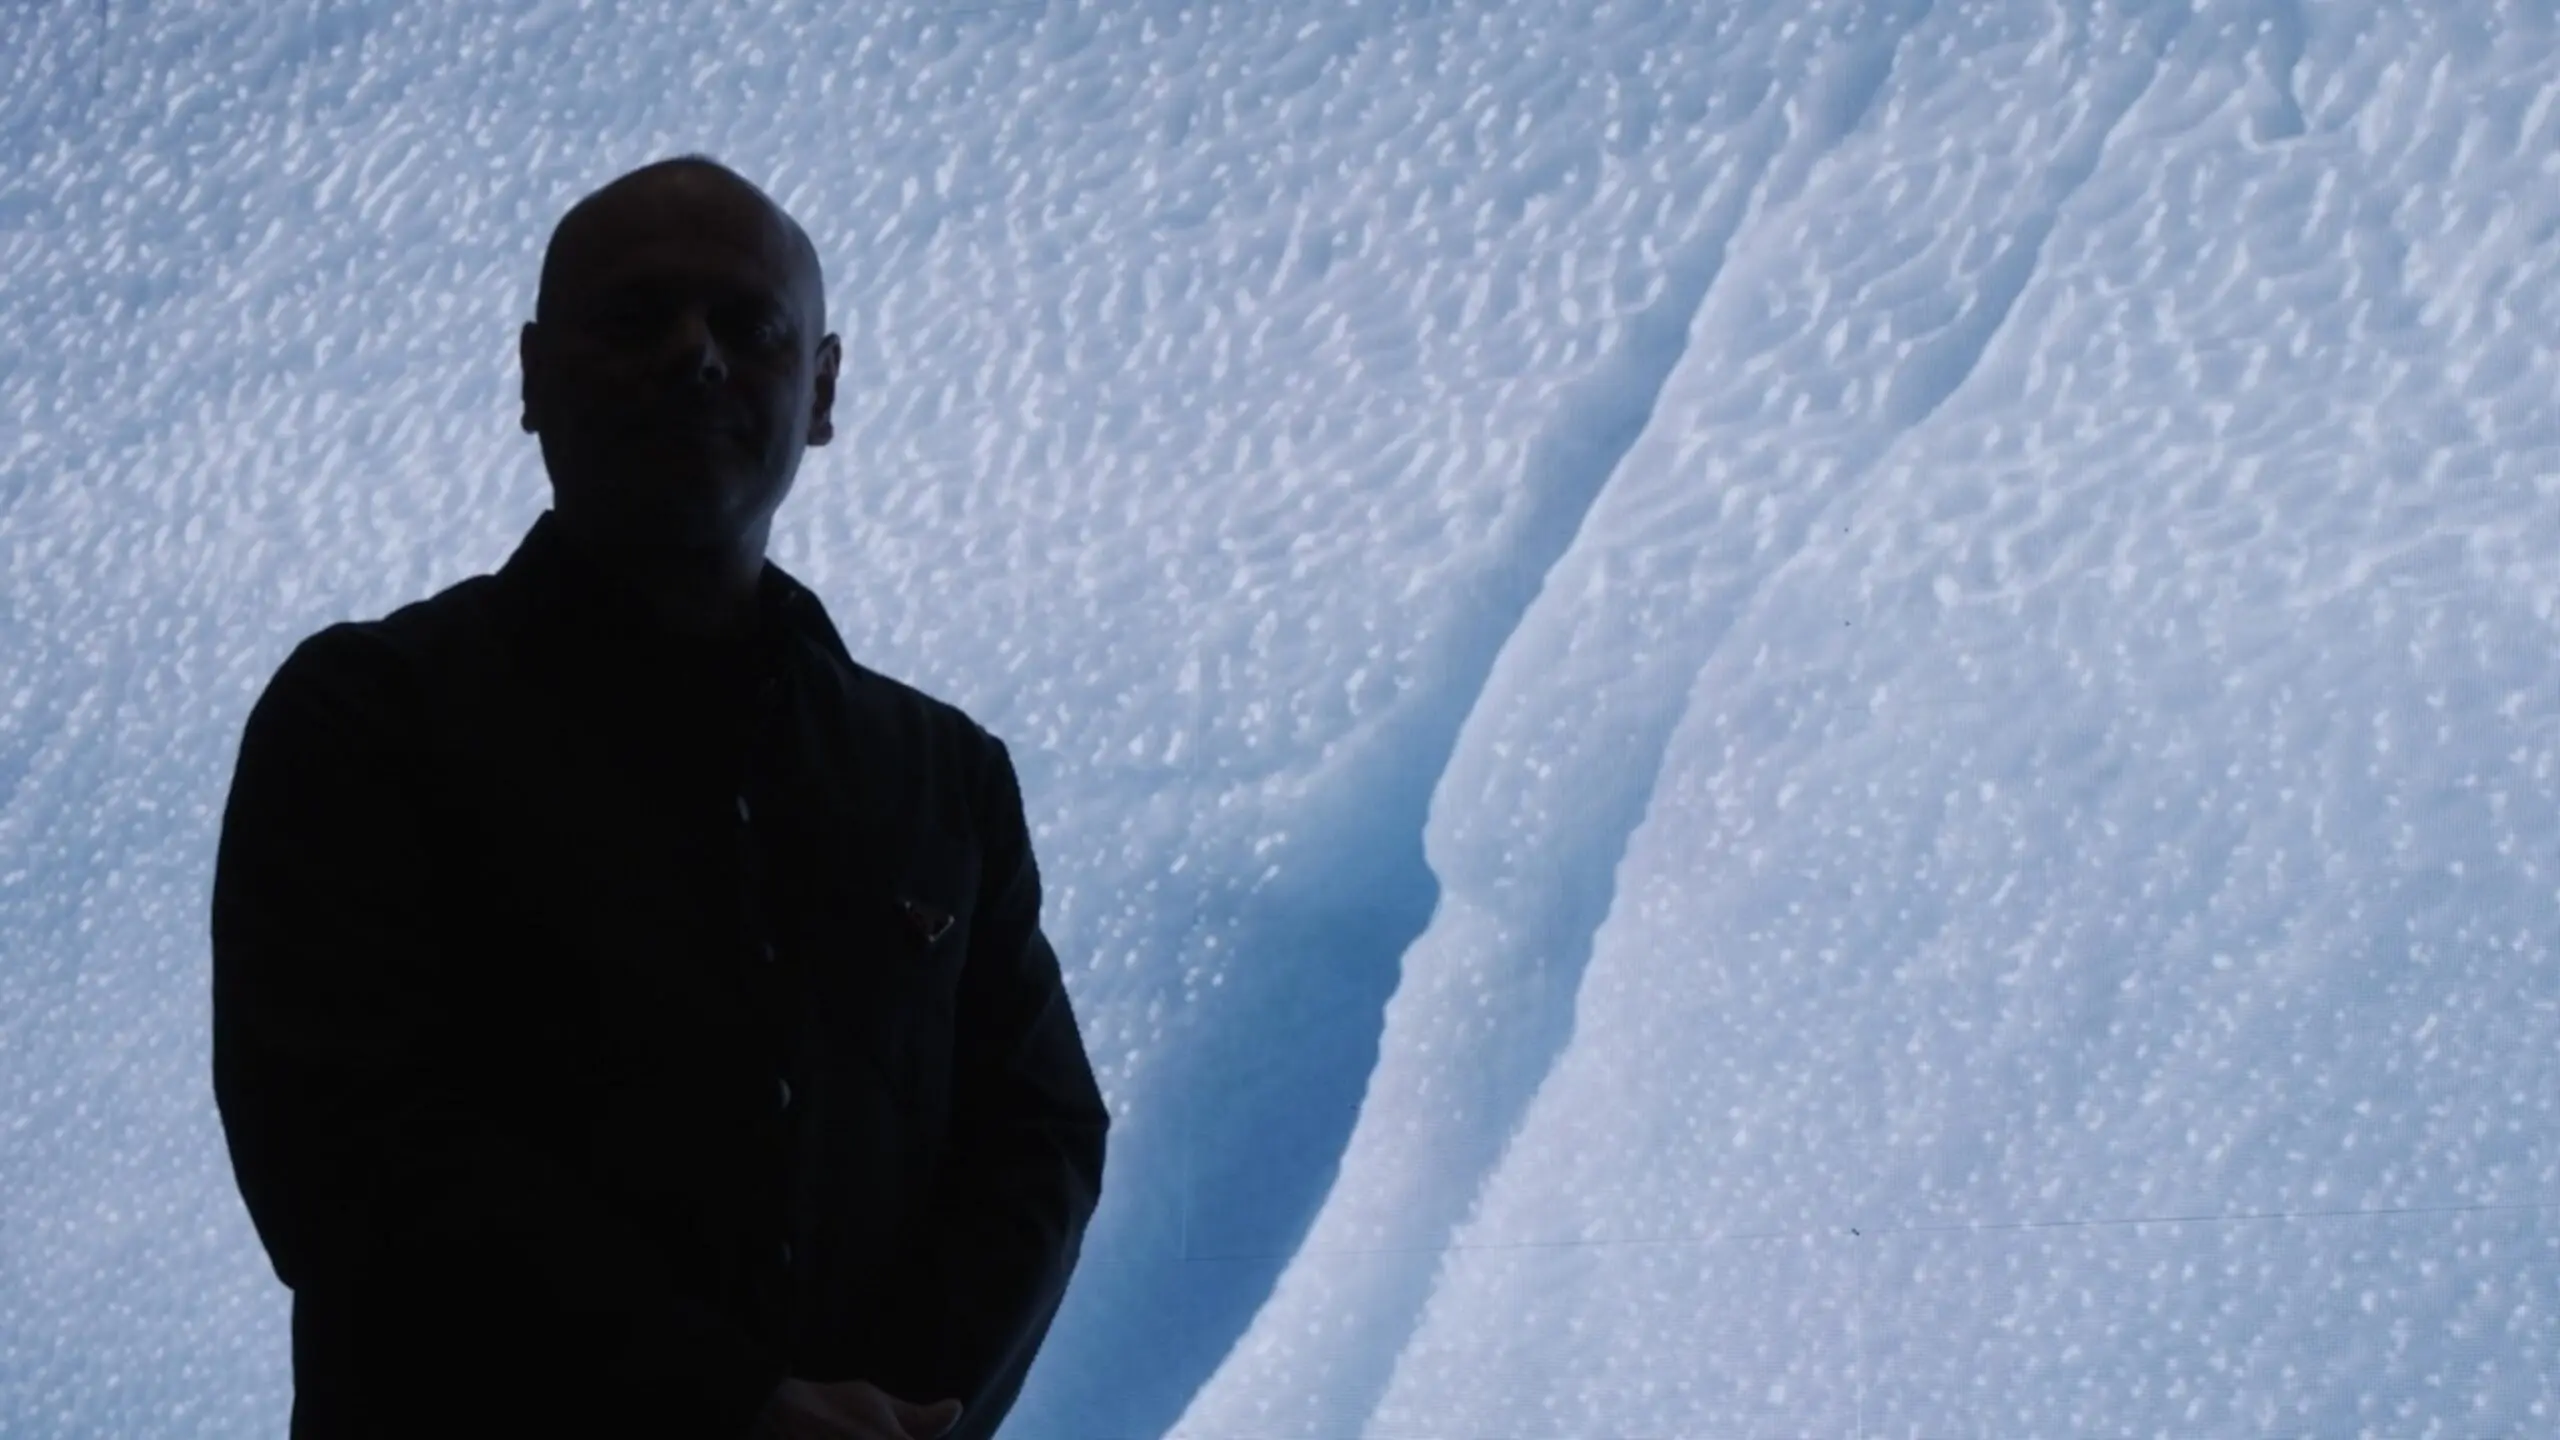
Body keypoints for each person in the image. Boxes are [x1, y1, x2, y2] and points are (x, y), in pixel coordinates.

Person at [210, 155, 1110, 1440]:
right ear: (529, 376)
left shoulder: (946, 776)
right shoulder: (365, 718)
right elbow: (343, 1142)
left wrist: (900, 1412)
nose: (696, 356)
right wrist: (735, 1410)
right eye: (635, 318)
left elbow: (1040, 1133)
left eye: (750, 327)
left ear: (824, 389)